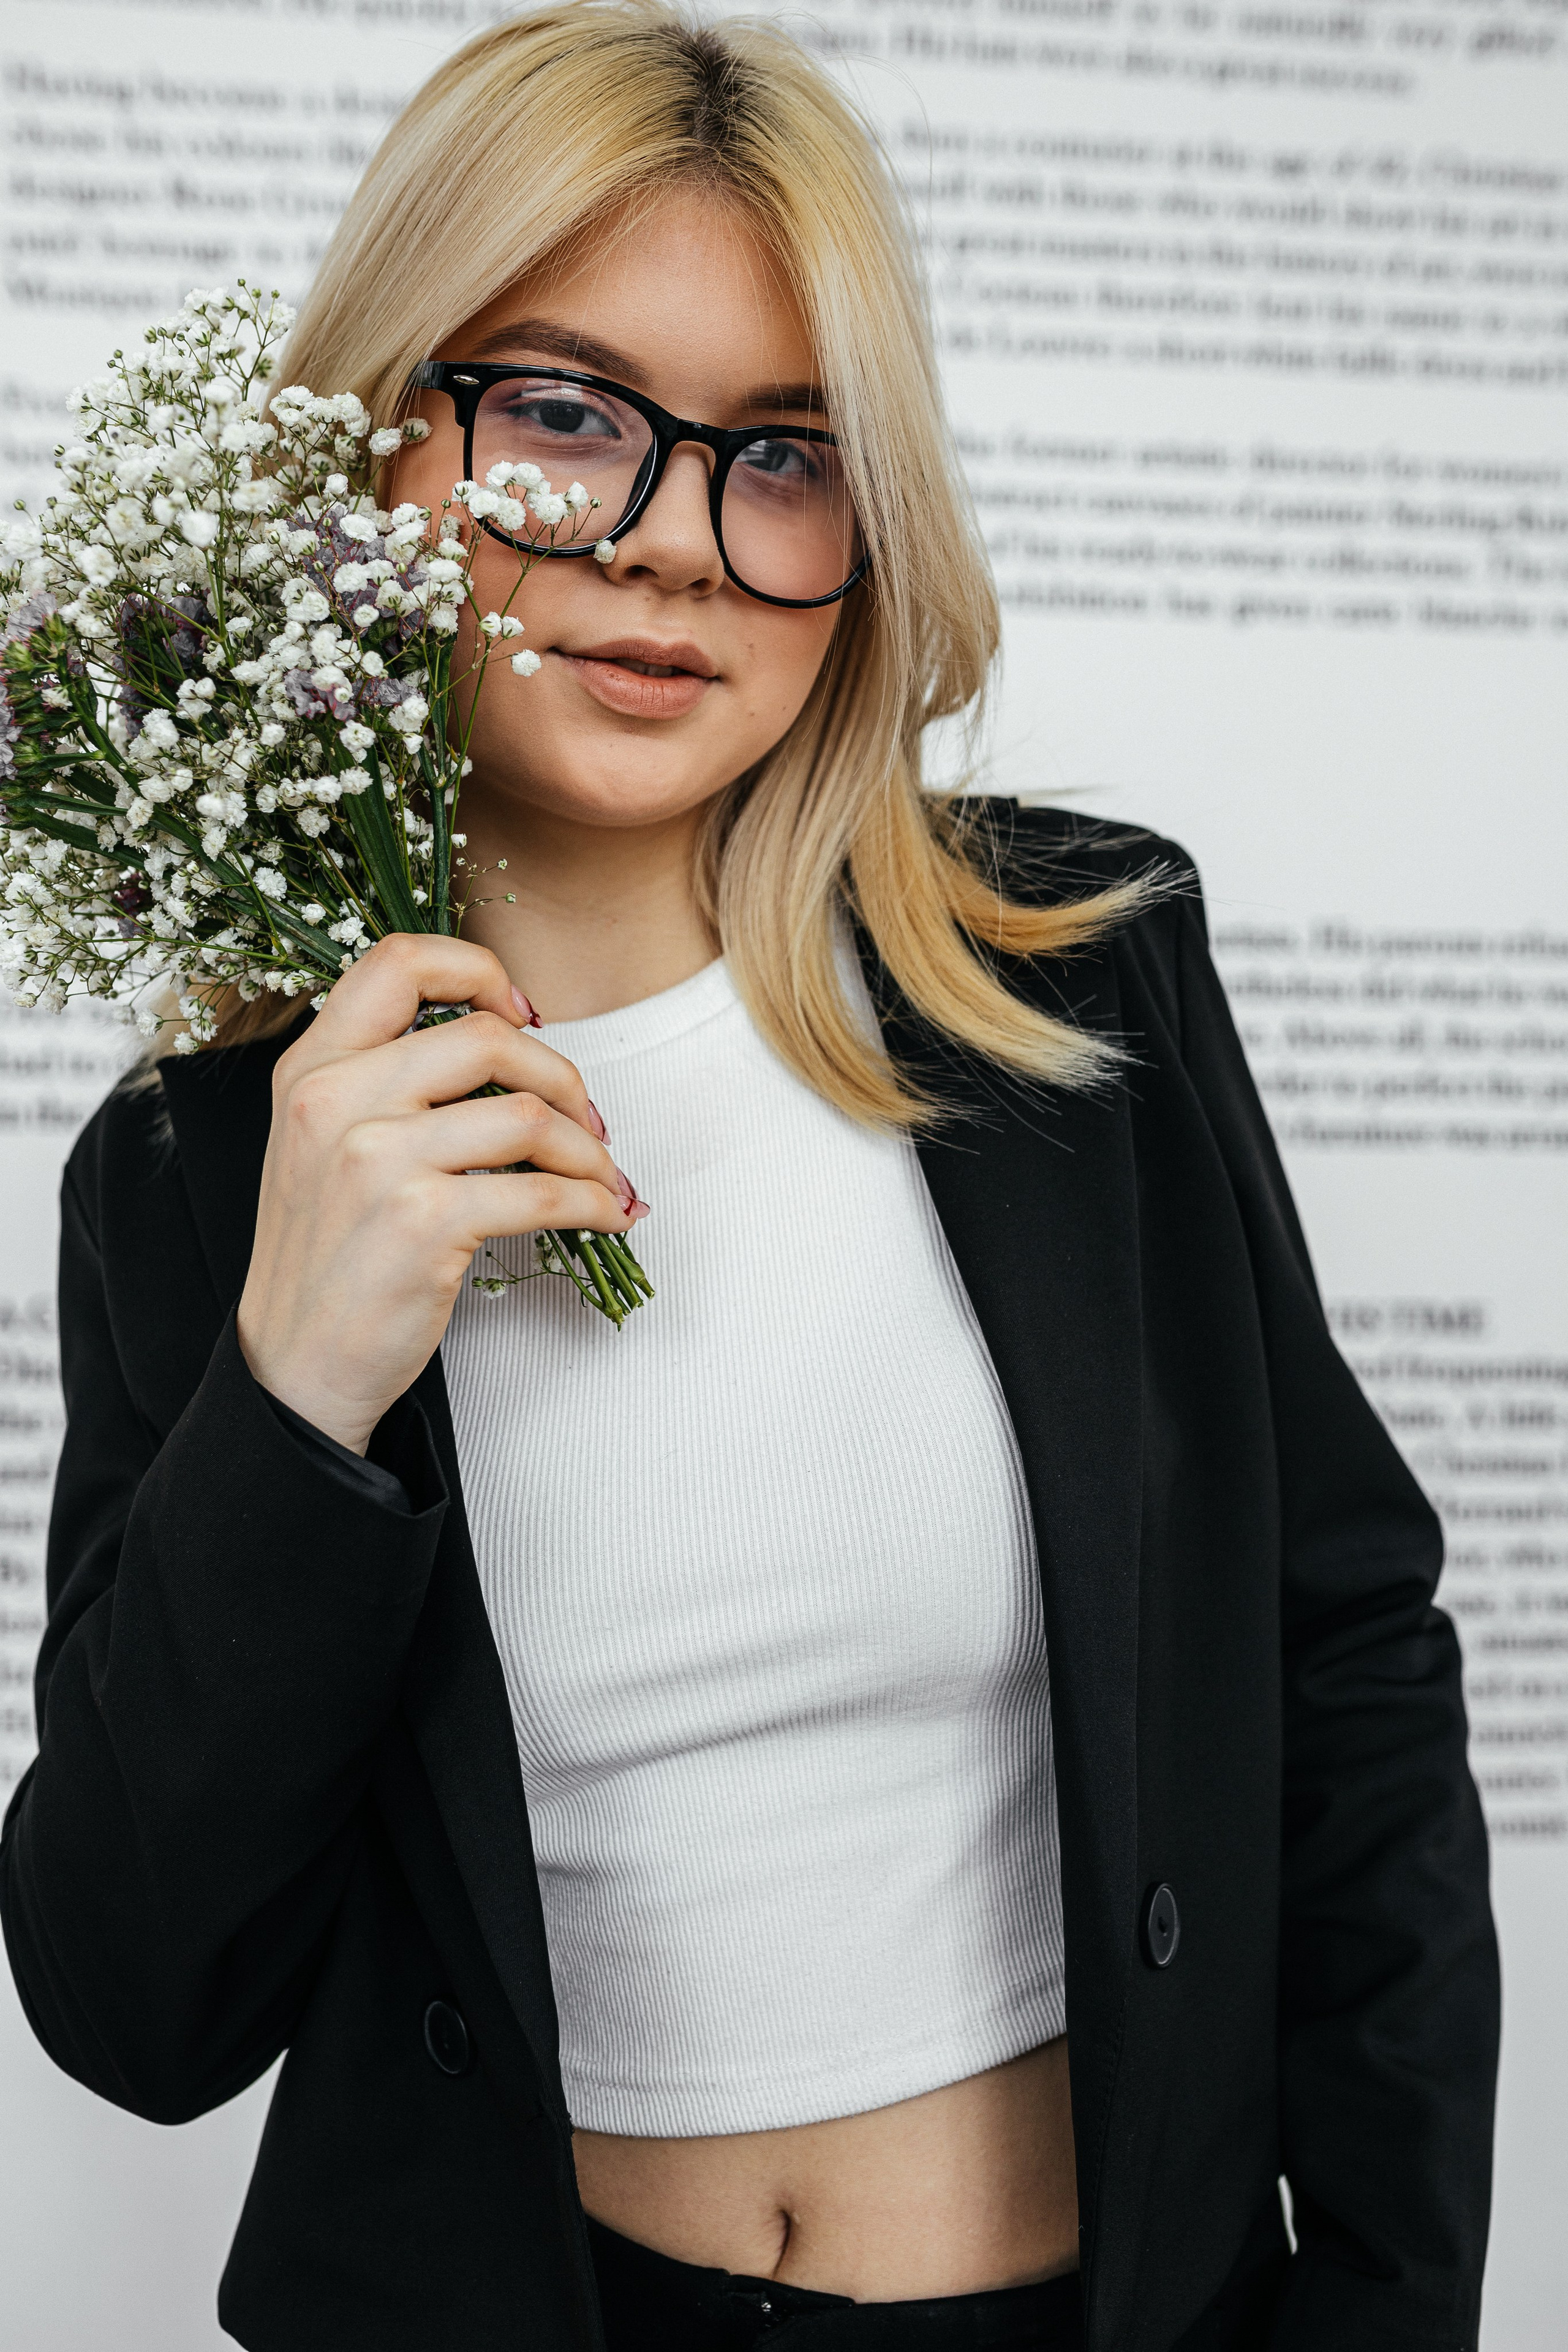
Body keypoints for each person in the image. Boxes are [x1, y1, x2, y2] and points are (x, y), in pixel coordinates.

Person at [0, 6, 1498, 2348]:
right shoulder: (212, 1174)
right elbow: (138, 2008)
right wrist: (298, 1387)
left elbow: (1351, 1684)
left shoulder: (1078, 983)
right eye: (566, 415)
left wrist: (1389, 2315)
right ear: (372, 452)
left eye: (784, 454)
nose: (677, 545)